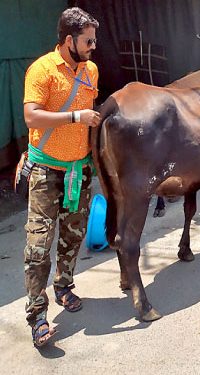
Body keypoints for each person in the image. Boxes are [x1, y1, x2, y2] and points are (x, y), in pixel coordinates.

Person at [22, 7, 100, 347]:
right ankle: (37, 315)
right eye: (88, 41)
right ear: (69, 39)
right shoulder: (42, 70)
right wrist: (74, 116)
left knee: (73, 235)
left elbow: (92, 121)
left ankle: (64, 286)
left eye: (93, 41)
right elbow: (31, 117)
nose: (93, 47)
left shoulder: (91, 71)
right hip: (44, 171)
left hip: (78, 171)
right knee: (38, 245)